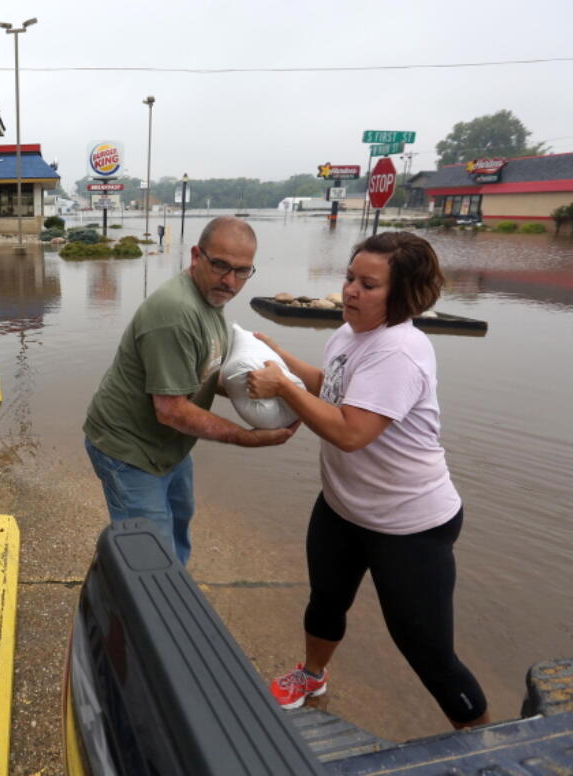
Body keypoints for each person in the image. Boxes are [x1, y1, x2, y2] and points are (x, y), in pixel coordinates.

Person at [246, 231, 489, 729]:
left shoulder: (399, 351)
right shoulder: (352, 331)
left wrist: (281, 392)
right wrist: (280, 359)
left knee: (424, 647)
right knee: (326, 601)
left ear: (402, 295)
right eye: (350, 278)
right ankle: (312, 676)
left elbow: (351, 432)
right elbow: (332, 387)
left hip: (409, 525)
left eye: (369, 284)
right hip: (343, 508)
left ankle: (487, 742)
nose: (351, 291)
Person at [83, 216, 297, 566]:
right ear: (197, 256)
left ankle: (170, 602)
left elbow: (204, 372)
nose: (230, 281)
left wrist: (269, 390)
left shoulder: (209, 300)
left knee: (177, 530)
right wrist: (247, 437)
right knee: (150, 558)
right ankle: (138, 608)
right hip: (129, 450)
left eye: (242, 271)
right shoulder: (176, 312)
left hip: (170, 447)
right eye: (220, 266)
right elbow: (171, 410)